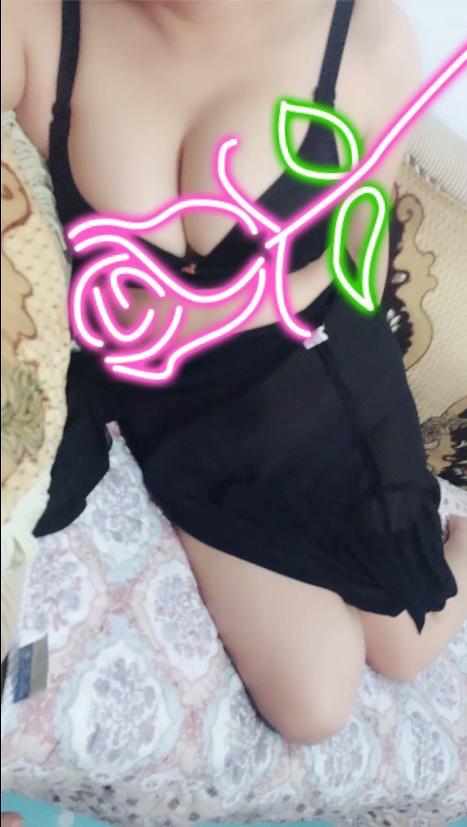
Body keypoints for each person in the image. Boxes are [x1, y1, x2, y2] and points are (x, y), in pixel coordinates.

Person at [2, 0, 466, 755]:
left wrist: (207, 313)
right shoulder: (38, 19)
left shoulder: (367, 35)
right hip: (181, 415)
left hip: (322, 379)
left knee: (403, 646)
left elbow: (362, 255)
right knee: (314, 702)